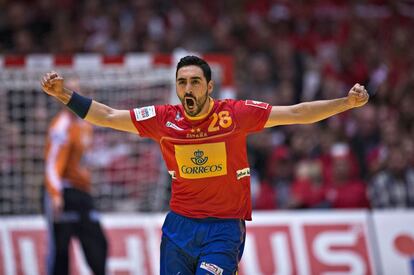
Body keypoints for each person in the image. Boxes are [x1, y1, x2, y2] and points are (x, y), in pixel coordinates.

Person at [41, 55, 369, 275]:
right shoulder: (162, 119)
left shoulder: (235, 114)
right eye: (182, 82)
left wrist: (347, 103)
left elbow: (297, 113)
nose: (187, 89)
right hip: (178, 228)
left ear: (209, 86)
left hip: (223, 229)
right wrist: (64, 95)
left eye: (195, 82)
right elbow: (108, 116)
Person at [44, 79, 108, 275]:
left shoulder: (85, 124)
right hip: (64, 190)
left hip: (82, 192)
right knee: (60, 251)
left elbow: (84, 160)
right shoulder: (61, 126)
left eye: (77, 91)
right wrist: (55, 194)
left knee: (99, 244)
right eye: (70, 91)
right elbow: (52, 165)